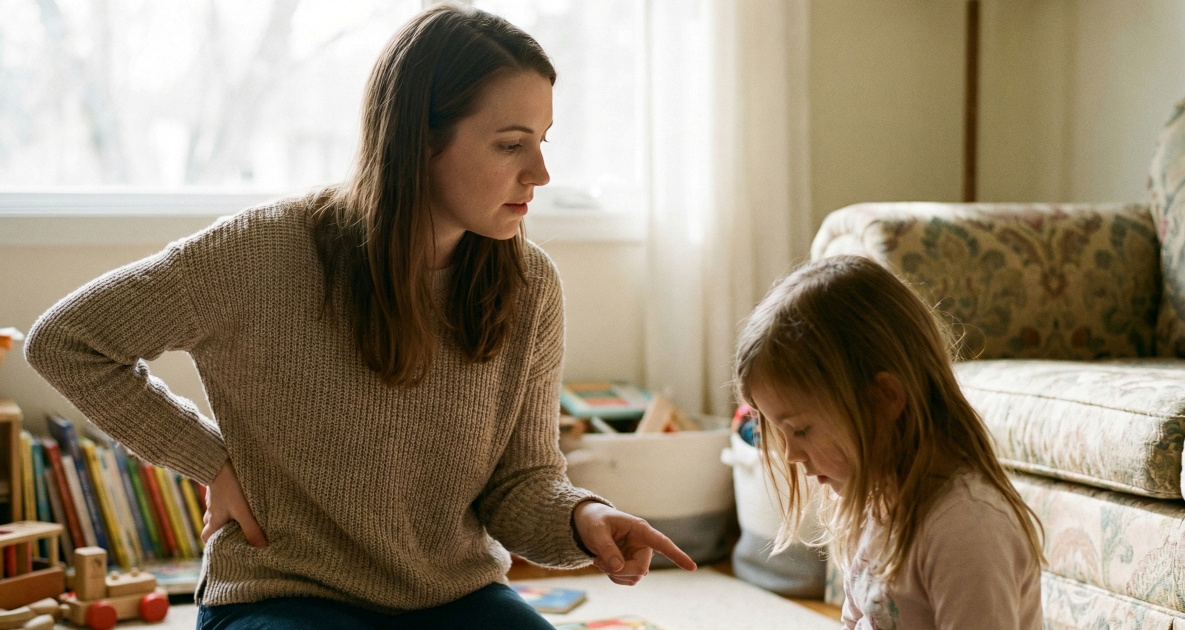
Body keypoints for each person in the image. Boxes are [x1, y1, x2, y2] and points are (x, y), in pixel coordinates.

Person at [24, 5, 695, 629]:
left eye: (544, 140)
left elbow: (521, 486)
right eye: (511, 144)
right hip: (284, 593)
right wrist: (212, 463)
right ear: (419, 141)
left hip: (452, 596)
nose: (541, 172)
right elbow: (68, 341)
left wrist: (587, 518)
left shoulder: (529, 283)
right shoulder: (259, 252)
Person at [733, 255, 1043, 629]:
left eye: (800, 430)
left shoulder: (965, 530)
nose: (791, 454)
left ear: (883, 399)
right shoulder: (872, 499)